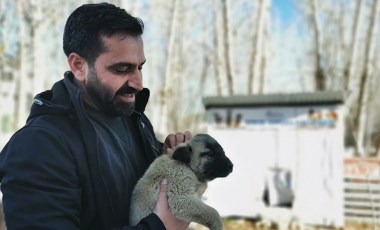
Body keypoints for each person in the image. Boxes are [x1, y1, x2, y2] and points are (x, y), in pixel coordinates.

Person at [0, 3, 191, 230]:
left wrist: (169, 163)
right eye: (122, 69)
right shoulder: (38, 145)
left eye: (140, 67)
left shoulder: (133, 119)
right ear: (79, 65)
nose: (138, 83)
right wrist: (159, 227)